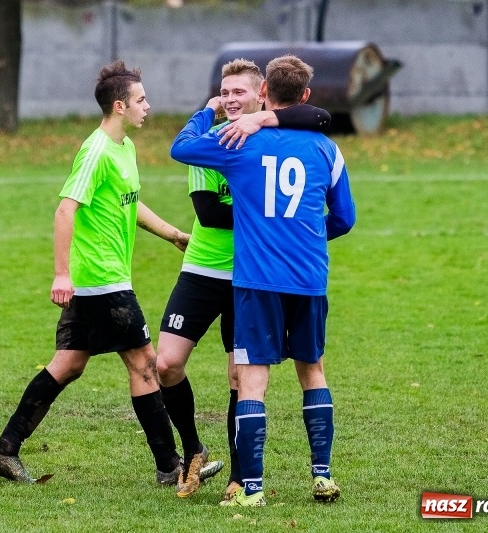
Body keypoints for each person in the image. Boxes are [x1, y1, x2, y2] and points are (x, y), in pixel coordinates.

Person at [0, 60, 220, 487]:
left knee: (69, 364)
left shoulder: (124, 148)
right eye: (141, 100)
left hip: (101, 278)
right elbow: (64, 210)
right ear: (118, 105)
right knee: (146, 365)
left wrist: (171, 234)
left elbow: (129, 202)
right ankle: (172, 467)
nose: (148, 106)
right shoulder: (95, 151)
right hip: (100, 280)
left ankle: (4, 450)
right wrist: (61, 275)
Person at [169, 54, 356, 507]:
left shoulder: (237, 142)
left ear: (265, 95)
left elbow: (181, 146)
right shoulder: (327, 149)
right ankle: (322, 476)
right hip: (309, 277)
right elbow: (344, 219)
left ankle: (251, 490)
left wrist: (208, 110)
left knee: (251, 381)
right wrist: (305, 234)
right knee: (312, 371)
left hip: (258, 280)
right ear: (306, 97)